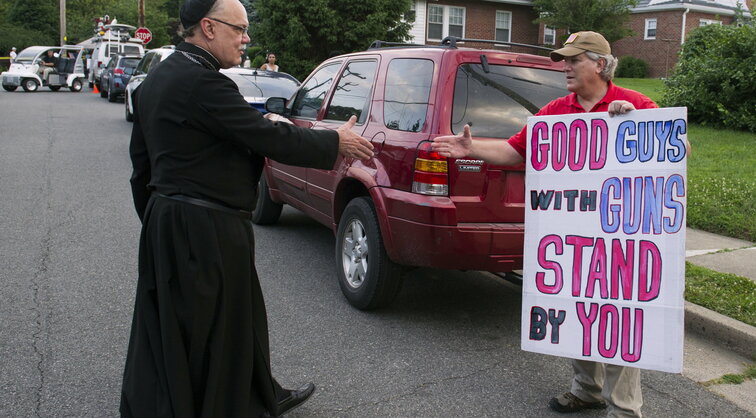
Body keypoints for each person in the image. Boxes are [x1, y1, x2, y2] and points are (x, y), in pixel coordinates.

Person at [121, 0, 374, 416]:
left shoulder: (161, 76)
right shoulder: (203, 82)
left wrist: (156, 220)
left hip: (170, 218)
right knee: (218, 326)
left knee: (191, 321)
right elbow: (265, 138)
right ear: (207, 27)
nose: (246, 38)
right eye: (238, 28)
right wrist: (335, 142)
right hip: (206, 226)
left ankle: (259, 391)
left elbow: (141, 164)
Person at [433, 31, 677, 418]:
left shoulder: (633, 103)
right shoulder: (556, 112)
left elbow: (677, 147)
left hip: (618, 237)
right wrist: (471, 147)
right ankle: (586, 390)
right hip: (571, 231)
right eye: (563, 59)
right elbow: (515, 151)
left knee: (614, 316)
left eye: (573, 59)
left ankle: (625, 409)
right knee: (578, 310)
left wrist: (635, 123)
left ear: (600, 64)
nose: (564, 66)